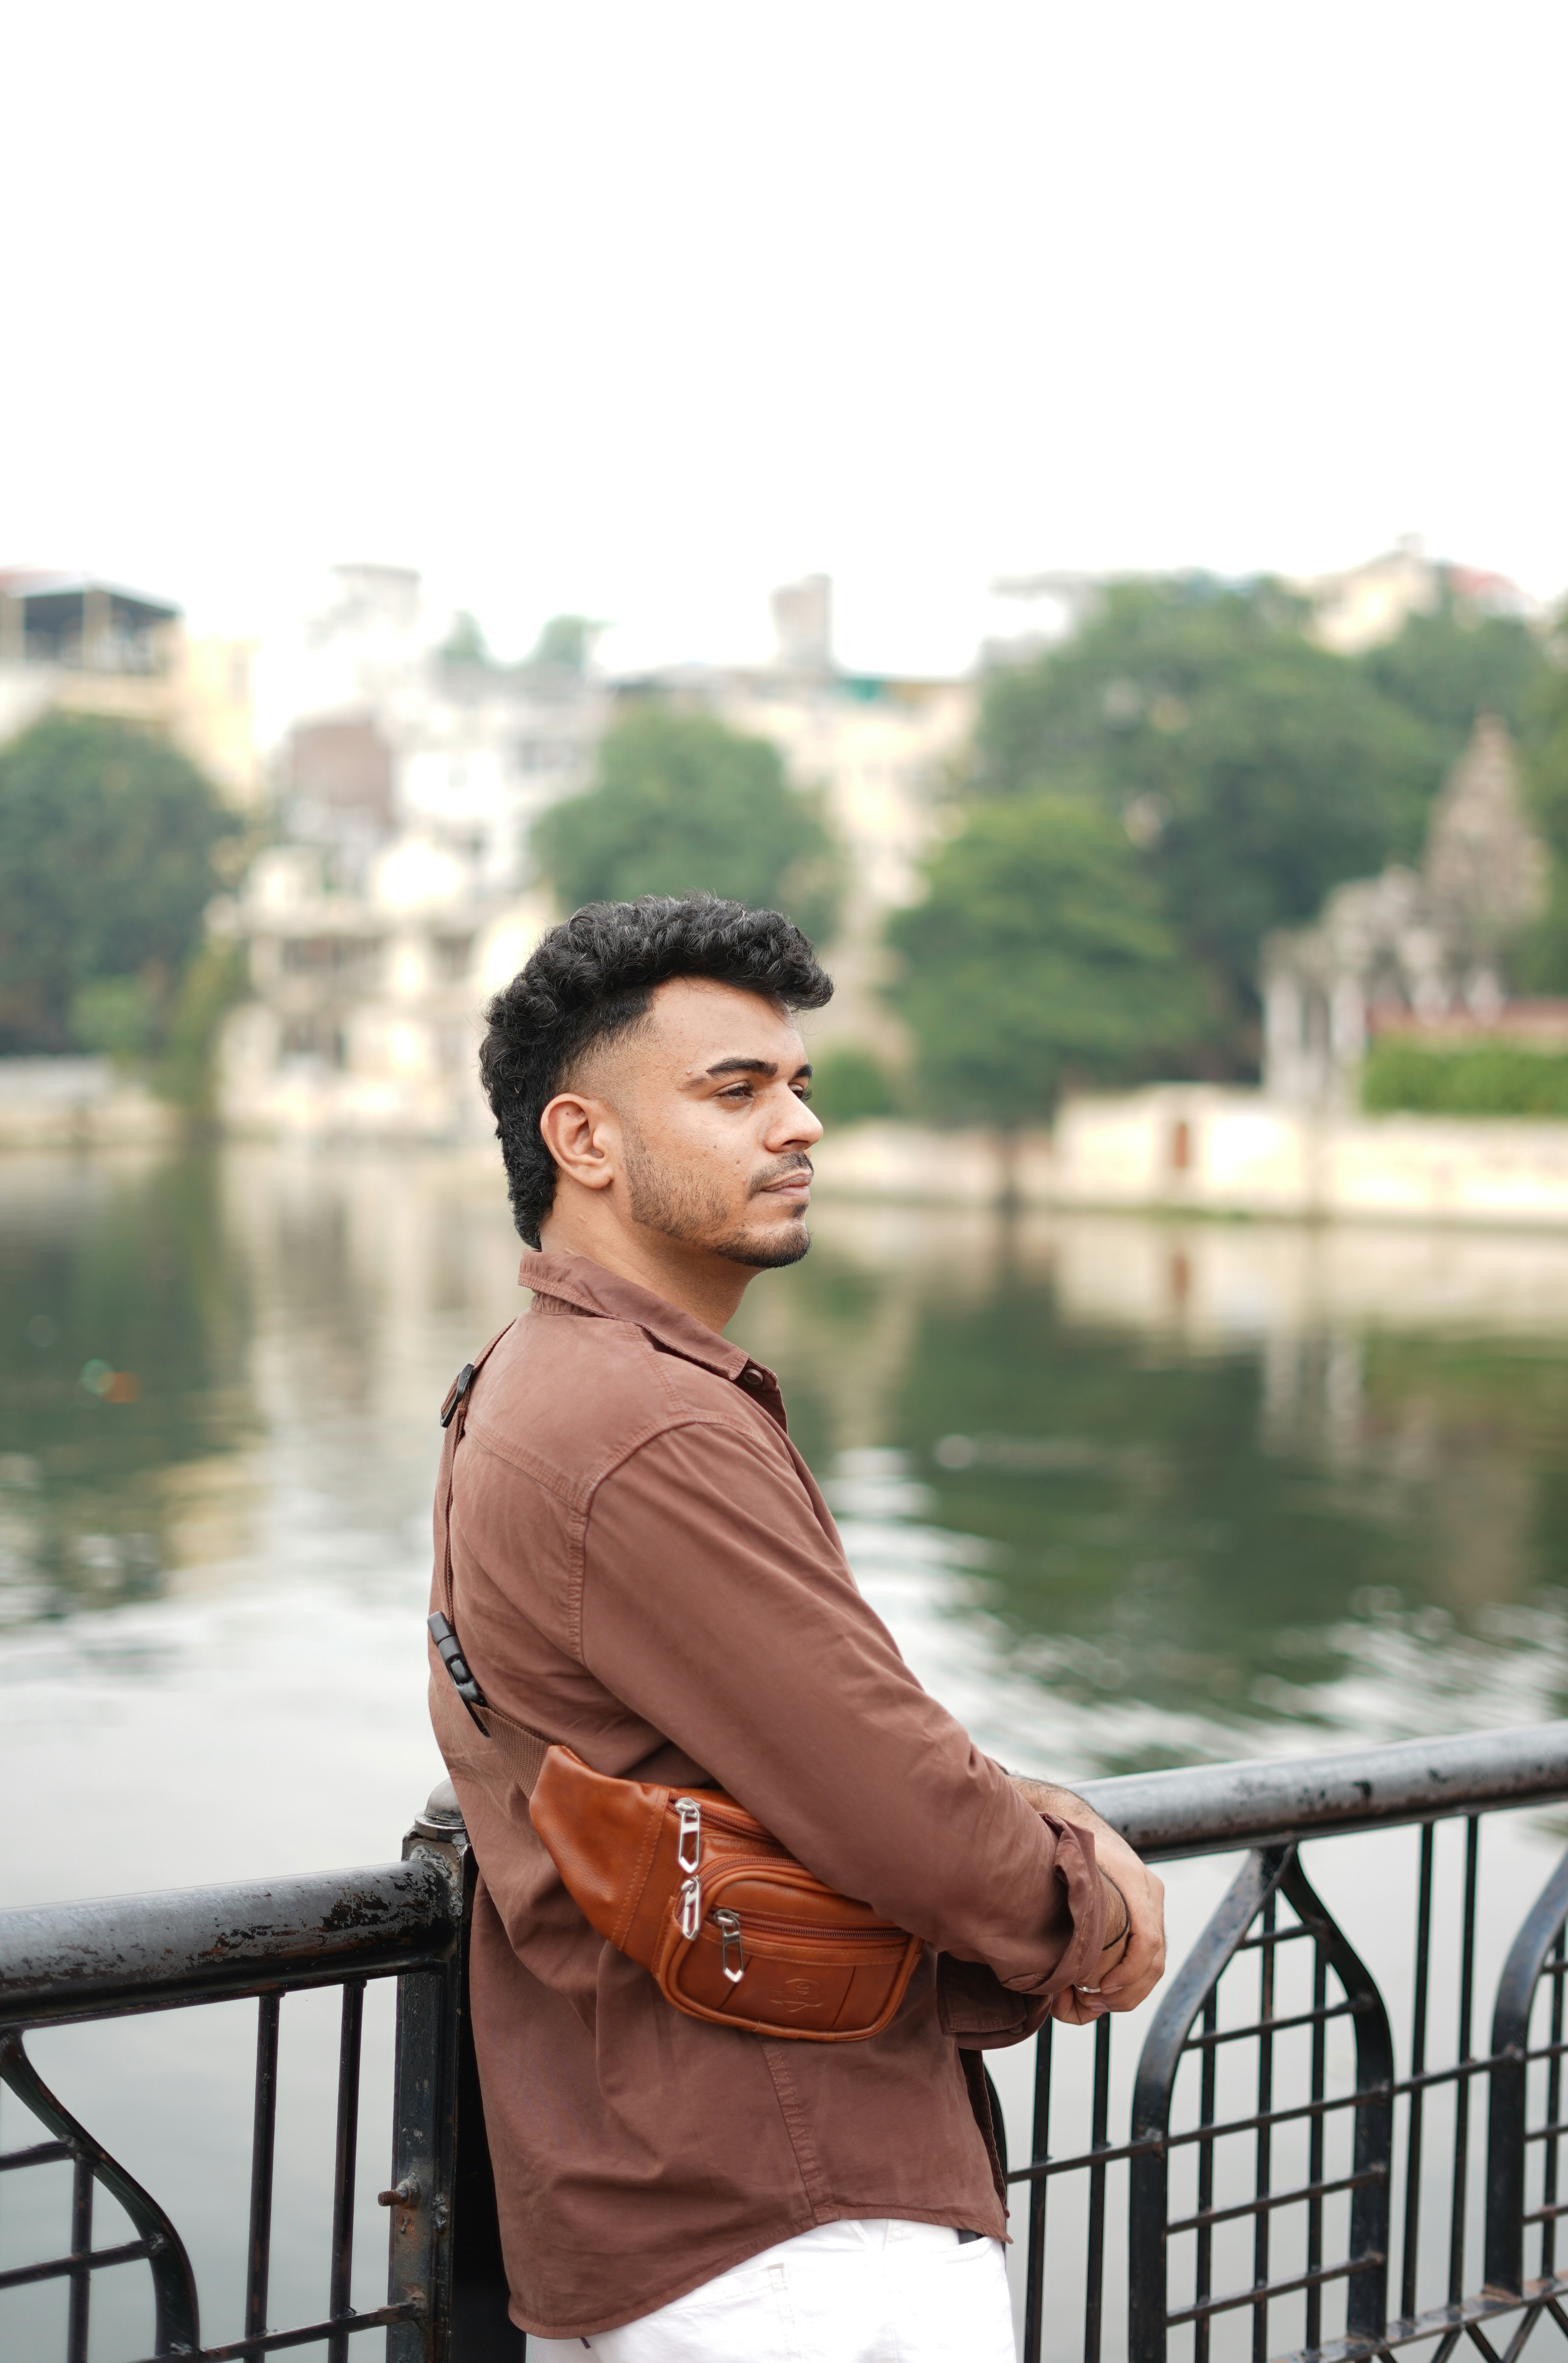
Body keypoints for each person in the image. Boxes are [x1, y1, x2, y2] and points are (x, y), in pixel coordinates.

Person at [430, 894, 1166, 2362]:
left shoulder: (540, 1378)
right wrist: (1090, 1911)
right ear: (584, 1141)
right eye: (737, 1091)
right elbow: (906, 1809)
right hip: (788, 2234)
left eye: (801, 1085)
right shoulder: (640, 1422)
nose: (801, 1126)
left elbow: (801, 1747)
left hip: (674, 2200)